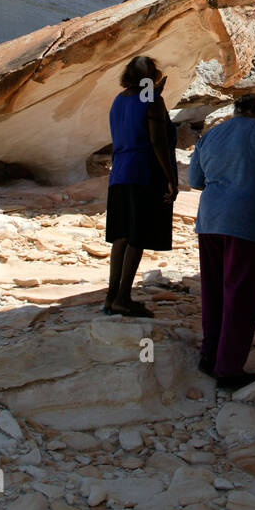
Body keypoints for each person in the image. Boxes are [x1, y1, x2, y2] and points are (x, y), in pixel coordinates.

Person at [188, 93, 255, 390]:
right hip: (246, 221)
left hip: (209, 220)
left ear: (236, 111)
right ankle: (230, 368)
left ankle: (209, 355)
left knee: (214, 288)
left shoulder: (211, 134)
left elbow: (195, 180)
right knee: (241, 293)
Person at [104, 55, 177, 316]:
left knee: (121, 235)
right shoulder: (151, 100)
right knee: (138, 235)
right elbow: (158, 141)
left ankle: (111, 297)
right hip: (144, 172)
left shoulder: (119, 99)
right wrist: (170, 177)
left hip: (119, 172)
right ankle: (124, 297)